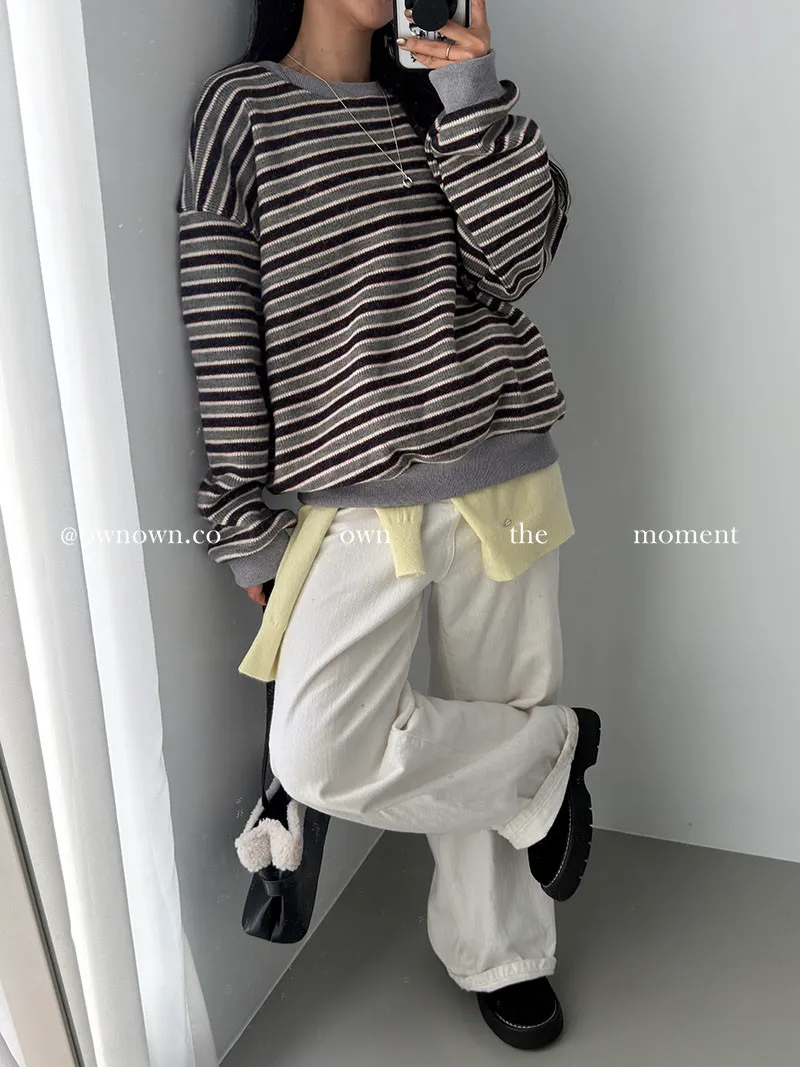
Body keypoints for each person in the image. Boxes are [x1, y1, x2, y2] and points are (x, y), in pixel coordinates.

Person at [177, 0, 600, 1051]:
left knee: (491, 699)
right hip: (355, 497)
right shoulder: (241, 109)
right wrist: (239, 515)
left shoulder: (441, 103)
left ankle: (504, 953)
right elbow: (220, 319)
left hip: (500, 463)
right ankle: (549, 757)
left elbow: (520, 262)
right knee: (320, 749)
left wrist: (471, 94)